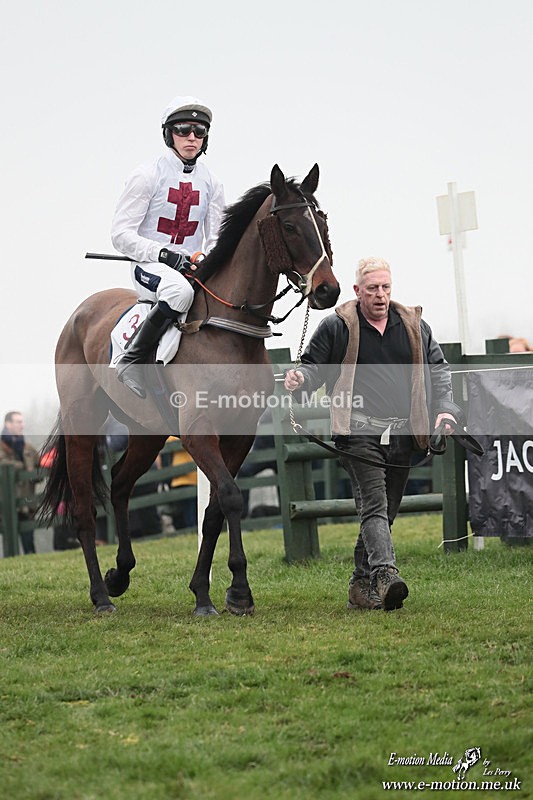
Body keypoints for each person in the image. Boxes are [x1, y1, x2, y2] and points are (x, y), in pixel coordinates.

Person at [284, 257, 457, 611]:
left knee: (384, 512)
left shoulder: (412, 325)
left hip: (403, 434)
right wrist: (300, 379)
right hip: (357, 433)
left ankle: (359, 584)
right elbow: (314, 368)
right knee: (375, 506)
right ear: (357, 290)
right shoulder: (337, 327)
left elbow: (438, 369)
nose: (380, 295)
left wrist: (445, 409)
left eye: (386, 287)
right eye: (373, 288)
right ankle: (385, 575)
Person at [111, 94, 225, 398]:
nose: (191, 137)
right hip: (148, 266)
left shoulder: (212, 182)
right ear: (168, 134)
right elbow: (121, 234)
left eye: (199, 131)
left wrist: (207, 259)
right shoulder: (146, 175)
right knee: (179, 291)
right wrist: (161, 254)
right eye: (183, 129)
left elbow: (215, 238)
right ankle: (132, 361)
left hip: (191, 267)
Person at [0, 411, 40, 554]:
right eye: (18, 422)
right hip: (5, 507)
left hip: (26, 505)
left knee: (29, 544)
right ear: (8, 424)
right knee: (9, 546)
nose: (22, 425)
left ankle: (33, 568)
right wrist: (22, 467)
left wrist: (37, 471)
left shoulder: (28, 448)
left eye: (22, 422)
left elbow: (40, 471)